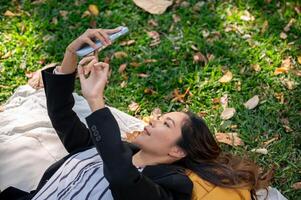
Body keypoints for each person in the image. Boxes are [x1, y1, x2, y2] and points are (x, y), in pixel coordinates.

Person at [0, 28, 270, 200]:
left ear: (178, 151)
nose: (153, 120)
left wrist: (96, 101)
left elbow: (121, 177)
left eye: (166, 123)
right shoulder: (108, 145)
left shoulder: (172, 187)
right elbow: (60, 114)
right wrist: (71, 54)